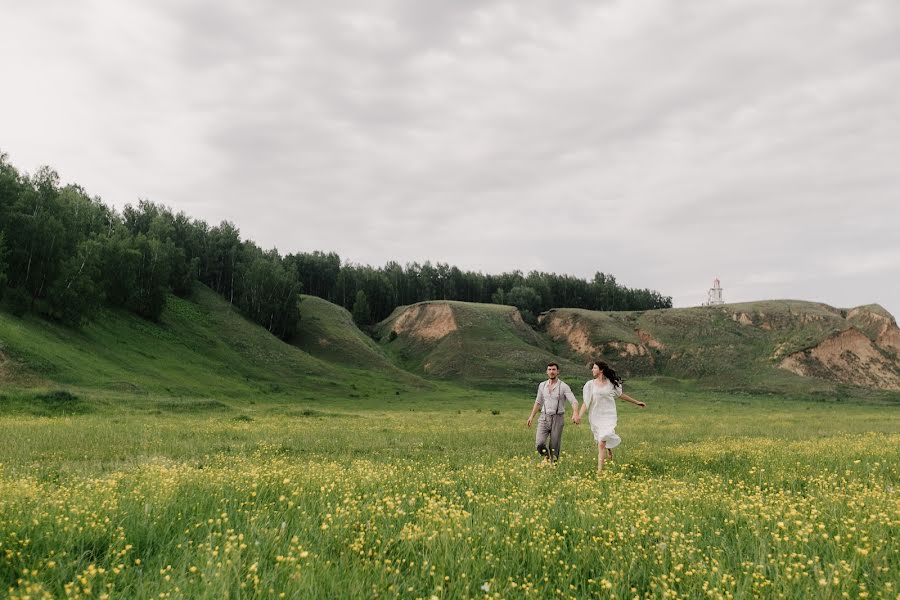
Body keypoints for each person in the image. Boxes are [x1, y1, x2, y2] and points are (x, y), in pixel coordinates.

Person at [577, 360, 646, 472]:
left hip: (608, 415)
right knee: (601, 438)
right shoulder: (590, 384)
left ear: (601, 370)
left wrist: (637, 402)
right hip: (595, 416)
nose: (592, 370)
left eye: (594, 368)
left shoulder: (611, 383)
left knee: (601, 442)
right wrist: (579, 416)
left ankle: (600, 471)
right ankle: (608, 448)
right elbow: (586, 402)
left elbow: (621, 395)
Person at [525, 362, 579, 464]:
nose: (551, 372)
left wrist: (575, 413)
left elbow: (574, 401)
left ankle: (553, 465)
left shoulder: (563, 386)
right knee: (539, 443)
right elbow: (538, 401)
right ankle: (546, 457)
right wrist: (531, 416)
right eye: (549, 370)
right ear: (547, 372)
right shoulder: (542, 385)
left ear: (558, 372)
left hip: (557, 418)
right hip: (544, 417)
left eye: (553, 369)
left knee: (554, 445)